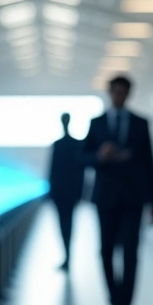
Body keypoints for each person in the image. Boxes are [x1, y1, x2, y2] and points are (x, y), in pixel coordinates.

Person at [84, 75, 153, 305]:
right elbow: (83, 156)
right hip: (105, 198)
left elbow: (150, 163)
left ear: (129, 94)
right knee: (105, 252)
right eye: (115, 92)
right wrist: (99, 156)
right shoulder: (96, 123)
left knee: (130, 256)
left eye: (123, 92)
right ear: (110, 93)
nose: (119, 96)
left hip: (132, 199)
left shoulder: (141, 123)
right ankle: (115, 303)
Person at [48, 113, 85, 271]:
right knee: (67, 224)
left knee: (65, 224)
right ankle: (67, 256)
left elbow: (53, 170)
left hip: (63, 192)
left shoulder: (60, 144)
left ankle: (68, 256)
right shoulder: (74, 144)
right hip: (68, 192)